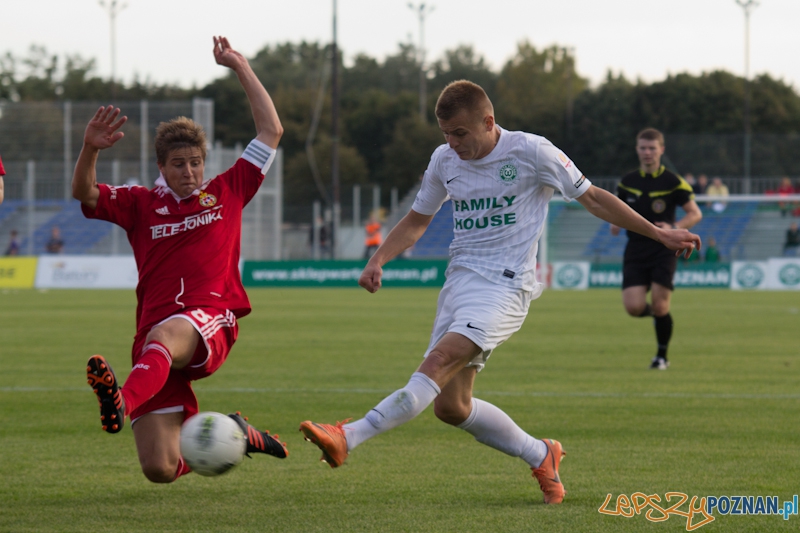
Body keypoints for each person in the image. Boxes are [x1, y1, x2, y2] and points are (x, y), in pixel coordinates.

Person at [299, 81, 700, 504]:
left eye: (459, 133)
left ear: (488, 122)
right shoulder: (444, 160)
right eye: (445, 134)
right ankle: (541, 453)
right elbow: (418, 219)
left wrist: (657, 232)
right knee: (451, 406)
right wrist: (378, 259)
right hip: (459, 284)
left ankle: (348, 435)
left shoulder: (532, 151)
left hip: (506, 286)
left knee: (437, 360)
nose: (452, 144)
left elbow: (595, 199)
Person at [75, 37, 287, 483]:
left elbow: (271, 131)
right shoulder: (140, 203)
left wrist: (241, 67)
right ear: (161, 166)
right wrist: (90, 149)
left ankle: (120, 401)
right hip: (154, 343)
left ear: (205, 163)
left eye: (195, 163)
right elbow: (86, 193)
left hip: (209, 320)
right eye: (178, 164)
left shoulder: (227, 191)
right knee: (161, 467)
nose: (188, 173)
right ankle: (236, 432)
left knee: (166, 333)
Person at [610, 128, 702, 370]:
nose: (647, 152)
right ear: (637, 150)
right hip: (636, 248)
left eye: (652, 148)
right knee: (634, 307)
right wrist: (614, 223)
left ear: (661, 149)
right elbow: (616, 209)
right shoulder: (628, 182)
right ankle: (661, 318)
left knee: (661, 304)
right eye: (643, 147)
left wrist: (674, 227)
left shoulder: (673, 181)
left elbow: (695, 213)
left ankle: (661, 356)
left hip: (664, 248)